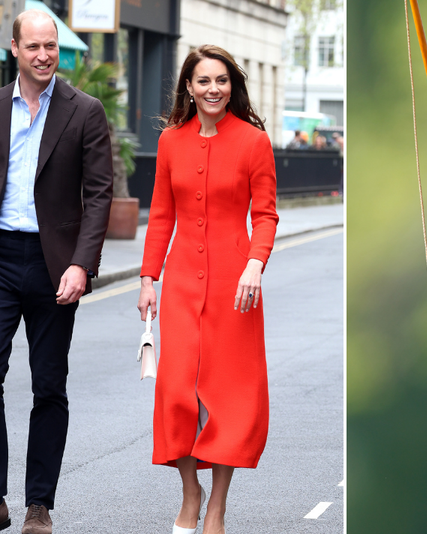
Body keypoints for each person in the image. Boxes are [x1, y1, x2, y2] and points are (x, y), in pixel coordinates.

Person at [0, 9, 113, 534]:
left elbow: (99, 194)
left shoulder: (84, 111)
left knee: (49, 384)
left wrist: (81, 264)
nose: (44, 55)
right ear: (14, 48)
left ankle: (38, 505)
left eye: (52, 47)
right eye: (34, 46)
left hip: (53, 263)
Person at [137, 44, 278, 534]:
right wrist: (148, 278)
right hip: (178, 284)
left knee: (227, 399)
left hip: (234, 288)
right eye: (204, 81)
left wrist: (255, 266)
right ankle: (189, 491)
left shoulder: (254, 141)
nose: (213, 89)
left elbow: (264, 215)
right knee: (177, 394)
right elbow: (160, 216)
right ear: (189, 88)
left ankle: (215, 507)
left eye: (221, 80)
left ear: (231, 86)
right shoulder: (171, 141)